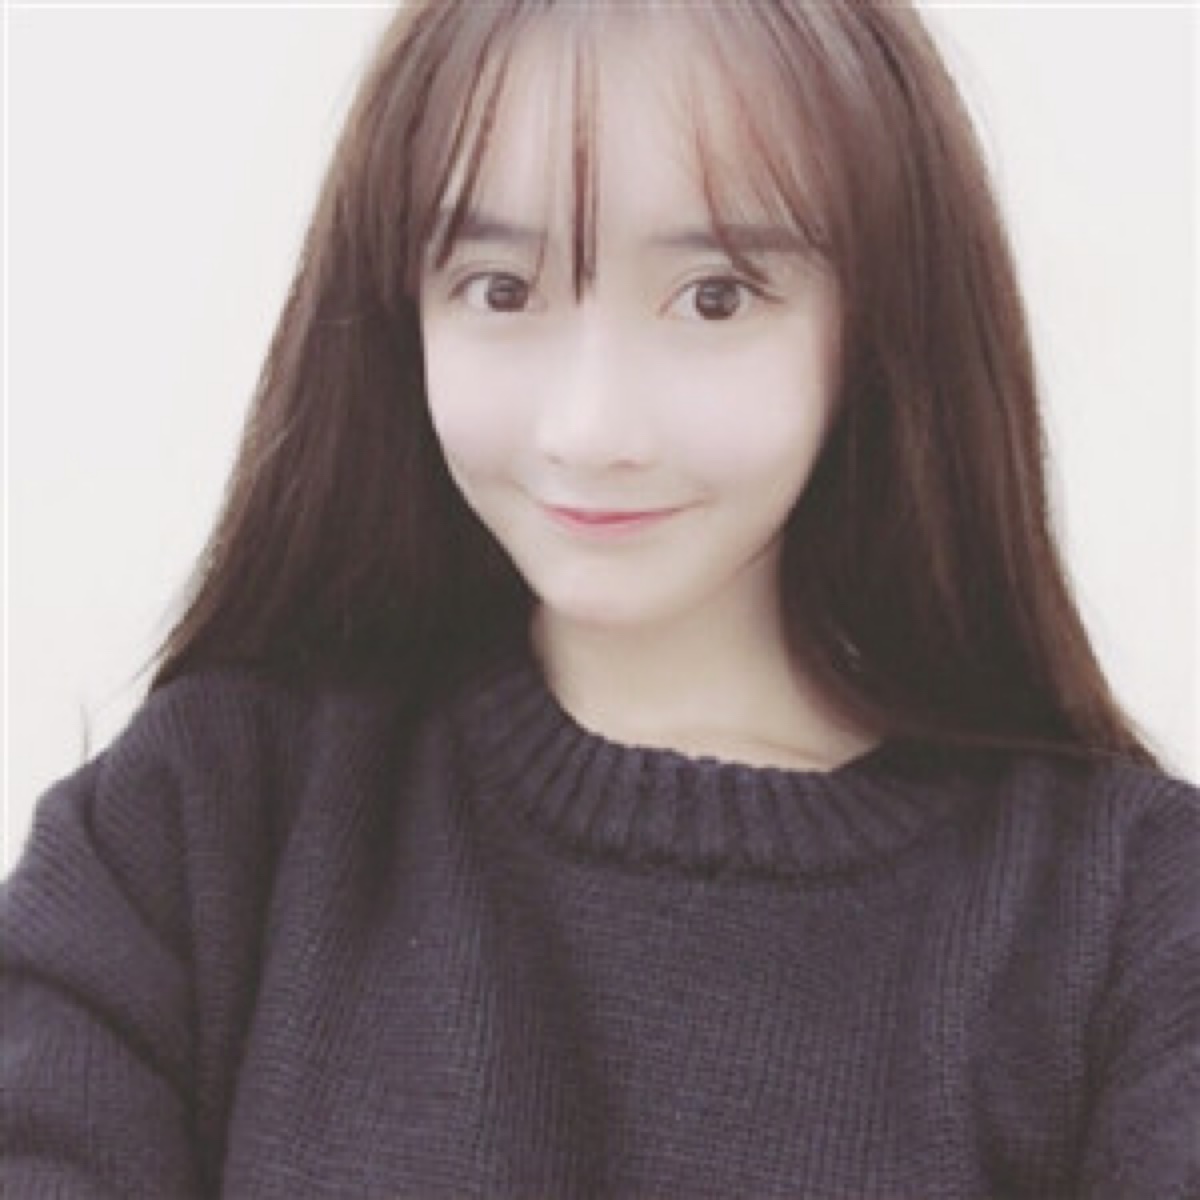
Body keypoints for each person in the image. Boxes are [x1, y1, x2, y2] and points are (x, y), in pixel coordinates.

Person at [3, 1, 1197, 1196]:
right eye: (499, 289)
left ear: (885, 320)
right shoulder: (201, 830)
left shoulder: (1132, 925)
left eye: (716, 296)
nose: (590, 428)